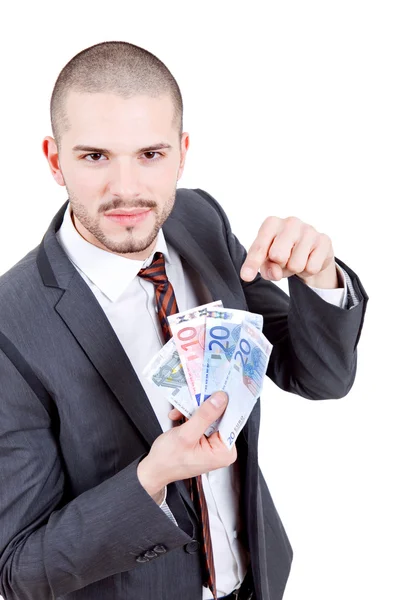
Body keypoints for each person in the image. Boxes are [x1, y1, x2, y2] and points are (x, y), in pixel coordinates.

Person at [0, 40, 368, 600]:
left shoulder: (199, 218)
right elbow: (21, 569)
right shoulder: (10, 325)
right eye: (95, 156)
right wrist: (150, 479)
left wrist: (319, 280)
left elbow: (317, 377)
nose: (126, 189)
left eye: (150, 154)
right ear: (55, 160)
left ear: (182, 151)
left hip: (258, 581)